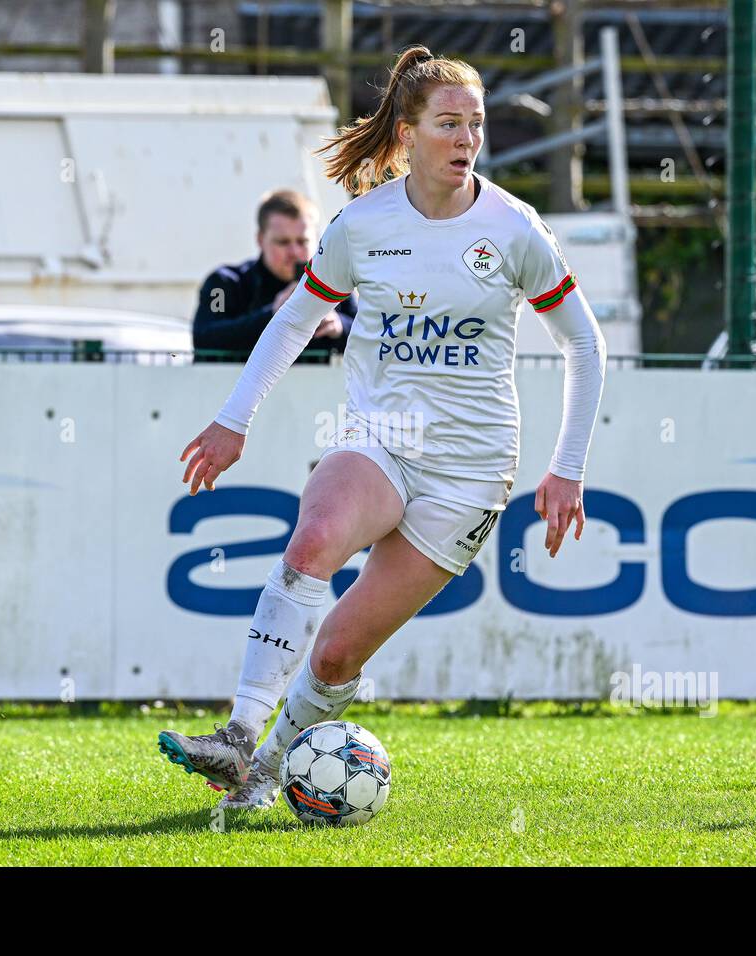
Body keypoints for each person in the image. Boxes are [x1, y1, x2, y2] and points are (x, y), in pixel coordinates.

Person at [159, 45, 606, 810]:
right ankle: (237, 738)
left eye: (476, 124)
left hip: (470, 473)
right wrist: (233, 420)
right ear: (407, 133)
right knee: (312, 540)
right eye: (449, 124)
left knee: (336, 652)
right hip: (380, 442)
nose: (466, 139)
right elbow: (296, 319)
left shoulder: (514, 228)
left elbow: (584, 343)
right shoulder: (362, 225)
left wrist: (566, 468)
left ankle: (262, 780)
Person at [192, 189, 355, 362]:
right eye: (283, 242)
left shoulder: (335, 282)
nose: (294, 252)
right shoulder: (224, 283)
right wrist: (272, 314)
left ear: (316, 239)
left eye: (302, 241)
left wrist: (339, 326)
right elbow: (205, 337)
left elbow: (374, 334)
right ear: (260, 240)